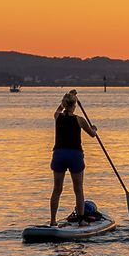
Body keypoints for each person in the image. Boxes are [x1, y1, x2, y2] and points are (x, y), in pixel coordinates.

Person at [50, 90, 99, 225]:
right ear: (75, 105)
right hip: (74, 155)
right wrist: (94, 128)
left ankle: (53, 221)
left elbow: (60, 108)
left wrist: (68, 97)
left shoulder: (57, 116)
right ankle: (81, 220)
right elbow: (92, 134)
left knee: (57, 189)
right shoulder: (80, 120)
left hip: (59, 154)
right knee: (78, 189)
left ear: (64, 104)